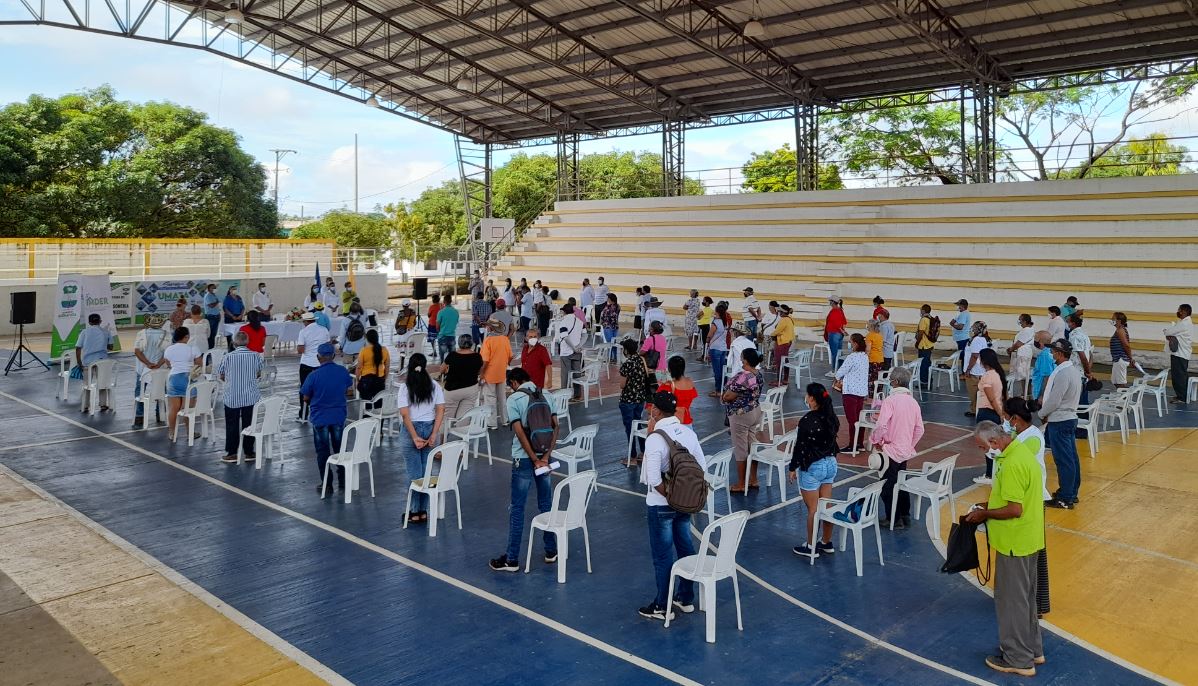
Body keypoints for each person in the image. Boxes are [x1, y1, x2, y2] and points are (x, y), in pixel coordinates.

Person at [966, 421, 1045, 677]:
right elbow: (1012, 498)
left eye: (982, 447)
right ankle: (1032, 648)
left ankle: (1018, 659)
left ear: (994, 442)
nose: (983, 452)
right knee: (1025, 600)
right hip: (1028, 538)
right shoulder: (1020, 452)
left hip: (1014, 542)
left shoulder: (1011, 464)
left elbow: (1014, 509)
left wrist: (985, 514)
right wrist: (987, 504)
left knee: (1011, 602)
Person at [637, 390, 706, 621]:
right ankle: (685, 598)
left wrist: (669, 495)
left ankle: (661, 605)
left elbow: (652, 477)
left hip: (661, 504)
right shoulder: (688, 433)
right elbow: (702, 467)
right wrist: (681, 496)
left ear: (656, 411)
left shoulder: (656, 438)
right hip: (685, 503)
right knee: (685, 546)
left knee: (663, 555)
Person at [490, 368, 559, 572]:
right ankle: (551, 550)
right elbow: (556, 426)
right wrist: (544, 457)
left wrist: (532, 459)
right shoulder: (546, 393)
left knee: (518, 508)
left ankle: (512, 559)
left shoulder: (515, 399)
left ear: (513, 382)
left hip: (523, 457)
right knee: (546, 503)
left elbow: (520, 433)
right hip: (545, 454)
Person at [1005, 396, 1052, 618]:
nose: (1005, 423)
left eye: (1006, 418)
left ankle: (1036, 603)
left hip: (1032, 502)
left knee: (1033, 553)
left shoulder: (1031, 439)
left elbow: (1015, 462)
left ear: (1015, 419)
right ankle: (1027, 598)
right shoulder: (1023, 435)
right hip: (1027, 500)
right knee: (1030, 552)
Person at [867, 366, 925, 528]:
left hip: (890, 450)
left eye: (891, 380)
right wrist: (909, 444)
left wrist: (875, 439)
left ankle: (893, 518)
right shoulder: (913, 402)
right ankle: (905, 514)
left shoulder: (890, 401)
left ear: (896, 382)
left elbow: (882, 425)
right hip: (904, 450)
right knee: (901, 482)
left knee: (887, 486)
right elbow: (920, 429)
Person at [788, 382, 842, 556]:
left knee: (813, 509)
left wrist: (792, 467)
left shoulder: (807, 421)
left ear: (811, 398)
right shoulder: (832, 418)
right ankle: (826, 542)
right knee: (826, 506)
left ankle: (811, 547)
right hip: (830, 464)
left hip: (813, 466)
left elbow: (800, 447)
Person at [396, 352, 446, 523]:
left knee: (413, 473)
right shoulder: (434, 386)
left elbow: (405, 415)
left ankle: (413, 511)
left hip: (412, 430)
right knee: (426, 472)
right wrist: (434, 433)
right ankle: (423, 511)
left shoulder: (405, 387)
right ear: (425, 367)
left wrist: (414, 436)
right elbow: (441, 409)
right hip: (430, 426)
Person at [300, 343, 354, 496]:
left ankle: (327, 484)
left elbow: (305, 397)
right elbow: (348, 389)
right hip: (338, 417)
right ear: (334, 356)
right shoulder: (342, 372)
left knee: (323, 452)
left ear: (318, 358)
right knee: (340, 450)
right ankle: (343, 480)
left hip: (320, 419)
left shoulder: (313, 375)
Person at [1038, 339, 1082, 509]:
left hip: (1060, 419)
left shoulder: (1063, 373)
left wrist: (1042, 413)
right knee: (1071, 458)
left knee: (1064, 460)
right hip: (1069, 417)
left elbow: (1055, 400)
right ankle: (1071, 492)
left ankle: (1066, 496)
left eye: (1054, 351)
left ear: (1060, 353)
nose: (1052, 354)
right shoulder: (1073, 371)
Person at [218, 331, 263, 463]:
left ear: (234, 343)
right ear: (247, 342)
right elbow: (259, 373)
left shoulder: (228, 356)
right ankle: (249, 452)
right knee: (249, 424)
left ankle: (232, 453)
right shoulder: (255, 356)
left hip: (232, 396)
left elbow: (221, 375)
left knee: (232, 424)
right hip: (250, 396)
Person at [725, 348, 765, 492]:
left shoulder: (743, 376)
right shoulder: (758, 374)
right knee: (751, 445)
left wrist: (724, 397)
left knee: (740, 448)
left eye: (742, 358)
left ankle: (741, 483)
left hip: (741, 414)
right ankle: (753, 479)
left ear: (746, 360)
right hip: (755, 411)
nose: (741, 360)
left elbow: (729, 396)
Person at [973, 348, 1009, 485]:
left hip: (987, 412)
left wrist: (1000, 414)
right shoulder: (998, 374)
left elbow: (991, 398)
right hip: (995, 411)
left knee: (987, 444)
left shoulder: (987, 376)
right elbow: (1003, 396)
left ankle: (989, 474)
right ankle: (994, 472)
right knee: (995, 444)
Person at [131, 314, 169, 429]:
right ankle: (160, 413)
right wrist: (158, 364)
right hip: (160, 370)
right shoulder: (166, 335)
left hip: (143, 369)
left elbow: (137, 352)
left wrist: (147, 363)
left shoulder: (142, 333)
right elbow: (167, 354)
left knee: (140, 391)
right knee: (161, 390)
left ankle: (139, 415)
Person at [163, 326, 201, 441]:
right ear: (186, 337)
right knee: (187, 409)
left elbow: (168, 364)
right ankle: (190, 432)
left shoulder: (169, 349)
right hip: (188, 379)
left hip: (173, 379)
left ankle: (171, 432)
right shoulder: (193, 348)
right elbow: (199, 364)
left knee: (173, 408)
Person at [835, 334, 870, 454]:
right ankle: (859, 443)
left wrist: (837, 377)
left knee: (852, 420)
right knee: (860, 419)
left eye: (850, 342)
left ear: (855, 343)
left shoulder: (851, 357)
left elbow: (841, 371)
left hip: (850, 392)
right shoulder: (865, 356)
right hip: (861, 391)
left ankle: (852, 445)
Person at [619, 338, 650, 467]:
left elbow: (622, 385)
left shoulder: (627, 364)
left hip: (628, 399)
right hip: (640, 398)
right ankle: (643, 452)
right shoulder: (641, 360)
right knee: (638, 424)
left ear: (626, 350)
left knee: (629, 428)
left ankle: (631, 456)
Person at [295, 311, 331, 421]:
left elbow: (300, 350)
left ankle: (304, 414)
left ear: (305, 321)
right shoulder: (324, 330)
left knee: (305, 389)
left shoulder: (303, 332)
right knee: (321, 388)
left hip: (307, 363)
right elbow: (328, 346)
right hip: (321, 364)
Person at [480, 319, 513, 429]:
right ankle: (505, 420)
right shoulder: (505, 339)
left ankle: (492, 423)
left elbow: (485, 360)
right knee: (502, 398)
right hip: (501, 373)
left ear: (491, 328)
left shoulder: (488, 341)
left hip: (490, 374)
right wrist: (505, 364)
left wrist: (481, 373)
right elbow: (510, 356)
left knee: (490, 398)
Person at [437, 335, 480, 420]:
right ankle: (460, 432)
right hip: (471, 388)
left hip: (452, 389)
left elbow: (441, 370)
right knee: (464, 416)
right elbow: (479, 371)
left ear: (459, 344)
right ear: (471, 344)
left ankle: (445, 432)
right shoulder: (477, 356)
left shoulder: (452, 355)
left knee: (447, 416)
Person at [1164, 303, 1193, 404]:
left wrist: (1167, 332)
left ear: (1184, 311)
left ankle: (1182, 397)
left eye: (1180, 310)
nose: (1178, 312)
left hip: (1180, 354)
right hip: (1181, 354)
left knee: (1178, 376)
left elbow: (1168, 332)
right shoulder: (1184, 322)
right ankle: (1183, 396)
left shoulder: (1184, 324)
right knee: (1181, 375)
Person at [556, 304, 586, 399]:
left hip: (566, 352)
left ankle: (564, 395)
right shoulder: (580, 322)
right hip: (577, 352)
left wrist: (573, 347)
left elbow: (565, 337)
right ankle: (577, 395)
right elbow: (585, 336)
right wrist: (578, 346)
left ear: (564, 311)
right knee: (577, 374)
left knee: (565, 374)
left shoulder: (564, 322)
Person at [355, 328, 390, 407]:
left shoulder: (364, 350)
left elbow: (359, 367)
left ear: (367, 339)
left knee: (366, 404)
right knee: (379, 404)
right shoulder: (384, 350)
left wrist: (357, 380)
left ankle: (367, 417)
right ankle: (378, 417)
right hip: (380, 380)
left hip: (366, 381)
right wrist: (385, 378)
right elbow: (387, 366)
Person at [963, 321, 991, 418]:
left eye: (974, 328)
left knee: (973, 392)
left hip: (974, 371)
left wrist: (968, 369)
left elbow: (974, 356)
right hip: (981, 370)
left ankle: (975, 410)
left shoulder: (976, 340)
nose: (972, 329)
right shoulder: (983, 339)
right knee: (979, 392)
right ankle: (978, 409)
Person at [1066, 313, 1095, 408]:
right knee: (1083, 399)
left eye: (1068, 322)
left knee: (1077, 400)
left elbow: (1082, 356)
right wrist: (1088, 370)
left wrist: (1087, 371)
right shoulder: (1085, 335)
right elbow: (1090, 355)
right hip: (1083, 371)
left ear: (1073, 323)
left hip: (1077, 371)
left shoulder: (1074, 336)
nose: (1067, 324)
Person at [661, 355, 698, 424]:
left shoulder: (668, 385)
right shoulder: (690, 382)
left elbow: (658, 403)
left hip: (671, 422)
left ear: (669, 369)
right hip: (686, 420)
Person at [1008, 314, 1036, 394]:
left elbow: (1019, 343)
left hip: (1023, 354)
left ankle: (1025, 393)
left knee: (1022, 375)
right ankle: (1025, 392)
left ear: (1024, 321)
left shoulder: (1027, 330)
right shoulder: (1028, 329)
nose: (1019, 321)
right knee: (1024, 375)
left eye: (1020, 319)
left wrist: (1011, 349)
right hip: (1023, 353)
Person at [707, 302, 731, 395]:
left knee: (717, 370)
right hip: (723, 348)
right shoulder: (725, 322)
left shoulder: (715, 322)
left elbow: (710, 334)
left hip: (715, 347)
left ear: (717, 312)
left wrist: (707, 341)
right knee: (722, 369)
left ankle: (718, 390)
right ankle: (723, 387)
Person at [1108, 312, 1135, 389]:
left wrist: (1130, 358)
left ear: (1119, 321)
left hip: (1120, 358)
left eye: (1113, 318)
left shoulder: (1120, 331)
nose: (1112, 320)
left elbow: (1126, 345)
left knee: (1120, 383)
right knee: (1116, 382)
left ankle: (1124, 399)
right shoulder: (1119, 330)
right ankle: (1121, 397)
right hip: (1117, 359)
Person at [771, 304, 796, 385]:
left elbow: (777, 331)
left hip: (782, 342)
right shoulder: (789, 319)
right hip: (787, 342)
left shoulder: (784, 320)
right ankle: (785, 379)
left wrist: (771, 335)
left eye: (779, 311)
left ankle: (778, 381)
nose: (778, 312)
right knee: (785, 360)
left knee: (779, 361)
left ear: (782, 312)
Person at [823, 297, 847, 376]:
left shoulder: (834, 311)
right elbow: (844, 322)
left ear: (833, 302)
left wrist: (842, 330)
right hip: (839, 334)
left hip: (834, 334)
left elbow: (836, 324)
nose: (829, 302)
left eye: (830, 301)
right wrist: (843, 331)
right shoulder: (840, 310)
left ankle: (834, 371)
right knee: (839, 353)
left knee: (834, 353)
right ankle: (839, 369)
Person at [1030, 331, 1056, 400]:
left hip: (1040, 389)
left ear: (1040, 341)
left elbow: (1047, 376)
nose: (1034, 341)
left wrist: (1043, 395)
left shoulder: (1045, 355)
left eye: (1035, 339)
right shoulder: (1050, 352)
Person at [915, 304, 936, 385]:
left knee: (923, 364)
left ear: (923, 310)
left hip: (923, 345)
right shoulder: (931, 318)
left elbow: (921, 332)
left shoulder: (924, 319)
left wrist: (917, 342)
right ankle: (929, 379)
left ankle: (924, 382)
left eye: (921, 310)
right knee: (927, 363)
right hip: (930, 344)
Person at [436, 294, 460, 361]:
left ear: (444, 301)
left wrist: (440, 332)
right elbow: (456, 322)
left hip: (442, 336)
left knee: (442, 358)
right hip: (452, 336)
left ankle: (443, 370)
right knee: (452, 357)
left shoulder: (441, 312)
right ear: (451, 301)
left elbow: (437, 326)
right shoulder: (456, 312)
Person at [950, 298, 972, 367]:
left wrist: (953, 324)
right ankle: (964, 372)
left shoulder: (963, 314)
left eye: (958, 305)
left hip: (962, 338)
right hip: (961, 338)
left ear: (962, 306)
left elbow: (960, 327)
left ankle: (964, 373)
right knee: (963, 356)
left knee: (963, 357)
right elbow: (953, 321)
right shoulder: (962, 314)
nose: (957, 307)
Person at [223, 285, 246, 350]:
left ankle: (239, 348)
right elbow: (225, 309)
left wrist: (241, 315)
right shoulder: (227, 298)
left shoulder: (239, 297)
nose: (235, 290)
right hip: (230, 317)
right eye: (233, 289)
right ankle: (231, 349)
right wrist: (232, 316)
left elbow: (243, 307)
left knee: (239, 333)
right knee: (230, 335)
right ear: (230, 290)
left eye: (235, 289)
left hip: (239, 317)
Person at [759, 301, 780, 368]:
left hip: (774, 335)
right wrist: (762, 332)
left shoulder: (779, 315)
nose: (769, 307)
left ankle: (771, 363)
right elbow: (762, 323)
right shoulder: (768, 314)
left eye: (770, 306)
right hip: (766, 334)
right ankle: (766, 364)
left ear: (773, 307)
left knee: (773, 350)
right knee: (766, 350)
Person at [600, 292, 621, 361]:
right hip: (613, 327)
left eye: (608, 298)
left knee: (610, 343)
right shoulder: (616, 306)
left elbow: (604, 315)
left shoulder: (610, 307)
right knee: (613, 343)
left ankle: (610, 357)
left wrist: (602, 323)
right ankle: (613, 357)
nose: (607, 299)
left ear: (611, 299)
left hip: (609, 327)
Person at [865, 320, 885, 391]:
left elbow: (868, 349)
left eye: (867, 325)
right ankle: (878, 395)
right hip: (880, 359)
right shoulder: (879, 335)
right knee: (878, 378)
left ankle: (871, 398)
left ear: (870, 326)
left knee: (871, 379)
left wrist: (865, 358)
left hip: (872, 359)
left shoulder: (869, 336)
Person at [202, 283, 222, 350]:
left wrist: (218, 314)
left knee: (214, 334)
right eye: (212, 288)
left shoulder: (214, 295)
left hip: (216, 316)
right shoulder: (208, 296)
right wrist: (216, 302)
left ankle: (212, 348)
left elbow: (217, 305)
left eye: (215, 288)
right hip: (211, 317)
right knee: (210, 335)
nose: (214, 289)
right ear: (209, 289)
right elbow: (211, 305)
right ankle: (209, 349)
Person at [696, 296, 714, 361]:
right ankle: (706, 355)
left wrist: (699, 318)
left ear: (707, 302)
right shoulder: (710, 309)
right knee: (706, 342)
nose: (703, 302)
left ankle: (703, 356)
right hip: (707, 326)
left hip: (702, 326)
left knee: (703, 342)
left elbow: (697, 315)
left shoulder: (705, 310)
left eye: (704, 300)